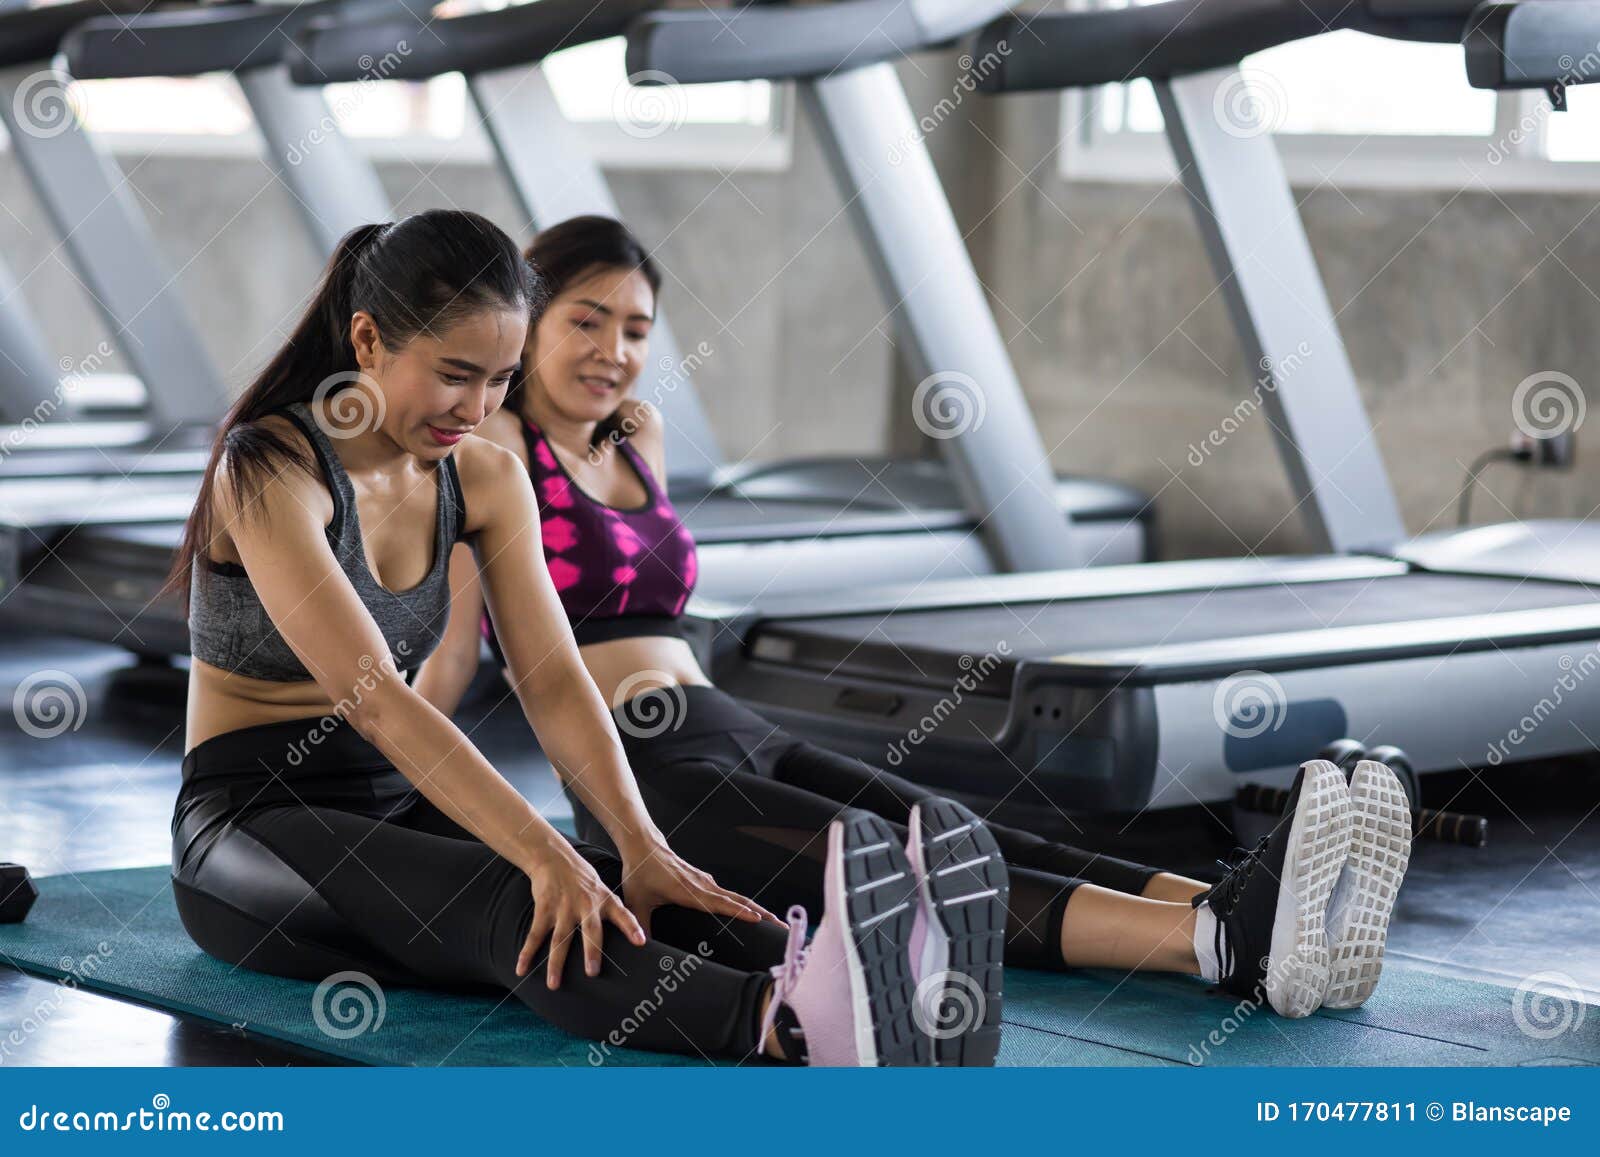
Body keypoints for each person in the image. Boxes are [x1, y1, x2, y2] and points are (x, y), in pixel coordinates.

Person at [415, 216, 1415, 1052]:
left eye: (636, 327)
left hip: (728, 721)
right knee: (936, 873)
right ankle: (1212, 941)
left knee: (956, 826)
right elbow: (458, 649)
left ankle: (1243, 901)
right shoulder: (495, 450)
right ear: (527, 323)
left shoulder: (640, 432)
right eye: (584, 320)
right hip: (641, 771)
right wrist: (397, 787)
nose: (614, 350)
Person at [166, 209, 961, 1067]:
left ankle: (885, 993)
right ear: (368, 340)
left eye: (501, 379)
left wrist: (640, 843)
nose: (475, 409)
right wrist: (543, 849)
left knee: (639, 893)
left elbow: (551, 676)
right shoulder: (268, 467)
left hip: (395, 800)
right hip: (251, 823)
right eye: (454, 375)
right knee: (526, 897)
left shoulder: (485, 475)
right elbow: (379, 704)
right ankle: (791, 1030)